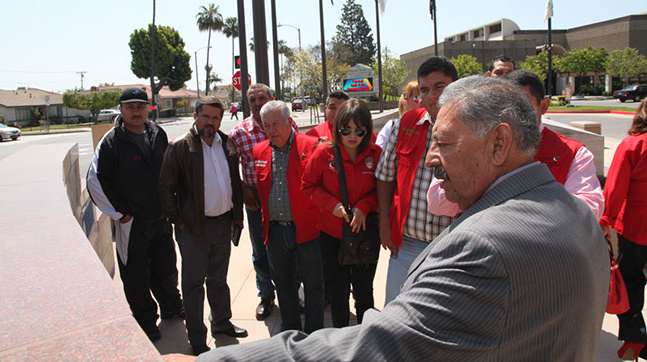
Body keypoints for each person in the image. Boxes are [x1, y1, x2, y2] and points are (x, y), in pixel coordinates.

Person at [196, 75, 609, 361]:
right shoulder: (577, 216)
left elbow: (377, 349)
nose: (431, 160)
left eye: (444, 144)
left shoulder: (486, 247)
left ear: (499, 143)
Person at [428, 69, 604, 219]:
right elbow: (437, 204)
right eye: (499, 108)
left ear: (543, 106)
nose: (511, 115)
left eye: (521, 107)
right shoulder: (477, 145)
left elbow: (587, 213)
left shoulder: (573, 153)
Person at [86, 87, 183, 342]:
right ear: (121, 110)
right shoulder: (112, 141)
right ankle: (145, 321)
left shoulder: (157, 133)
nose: (136, 111)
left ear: (149, 108)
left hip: (160, 219)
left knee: (166, 269)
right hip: (133, 223)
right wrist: (121, 215)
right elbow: (95, 181)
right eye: (130, 107)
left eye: (141, 106)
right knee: (136, 276)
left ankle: (172, 307)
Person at [158, 97, 248, 356]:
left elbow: (234, 183)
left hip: (223, 223)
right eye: (206, 116)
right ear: (196, 116)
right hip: (194, 229)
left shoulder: (227, 143)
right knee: (194, 285)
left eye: (216, 118)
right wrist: (180, 221)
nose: (211, 122)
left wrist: (237, 217)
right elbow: (165, 188)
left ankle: (222, 323)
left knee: (218, 279)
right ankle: (197, 336)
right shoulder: (179, 147)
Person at [375, 56, 458, 305]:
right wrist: (385, 225)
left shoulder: (473, 127)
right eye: (424, 90)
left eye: (439, 87)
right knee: (395, 311)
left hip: (453, 245)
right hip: (409, 243)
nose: (432, 95)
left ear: (456, 85)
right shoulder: (405, 125)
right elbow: (385, 176)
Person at [302, 99, 382, 327]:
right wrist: (332, 205)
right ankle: (339, 340)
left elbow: (385, 190)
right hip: (333, 235)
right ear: (337, 128)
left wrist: (365, 206)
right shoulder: (322, 154)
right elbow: (307, 186)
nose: (352, 135)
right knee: (338, 292)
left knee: (365, 292)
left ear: (367, 129)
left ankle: (364, 339)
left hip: (365, 234)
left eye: (359, 130)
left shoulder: (376, 155)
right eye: (346, 129)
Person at [253, 101, 324, 334]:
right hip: (274, 232)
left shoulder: (312, 146)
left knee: (313, 285)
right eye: (267, 125)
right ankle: (290, 330)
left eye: (276, 123)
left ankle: (314, 332)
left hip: (306, 229)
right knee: (283, 285)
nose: (272, 129)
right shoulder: (259, 151)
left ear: (289, 121)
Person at [228, 84, 298, 320]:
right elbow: (226, 166)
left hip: (286, 197)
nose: (257, 103)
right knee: (261, 250)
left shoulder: (288, 124)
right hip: (257, 201)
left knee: (290, 248)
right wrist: (242, 188)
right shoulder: (239, 132)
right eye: (252, 99)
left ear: (271, 98)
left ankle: (291, 294)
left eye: (261, 98)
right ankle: (266, 295)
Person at [600, 98, 647, 361]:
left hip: (637, 225)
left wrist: (605, 220)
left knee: (631, 280)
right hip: (637, 222)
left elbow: (615, 187)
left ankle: (634, 337)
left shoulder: (634, 145)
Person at [307, 91, 377, 144]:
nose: (337, 112)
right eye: (332, 108)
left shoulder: (363, 133)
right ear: (326, 109)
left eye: (342, 108)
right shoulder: (313, 135)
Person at [375, 81, 421, 149]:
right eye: (418, 97)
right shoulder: (392, 126)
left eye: (425, 96)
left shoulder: (433, 126)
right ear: (405, 103)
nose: (422, 101)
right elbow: (379, 152)